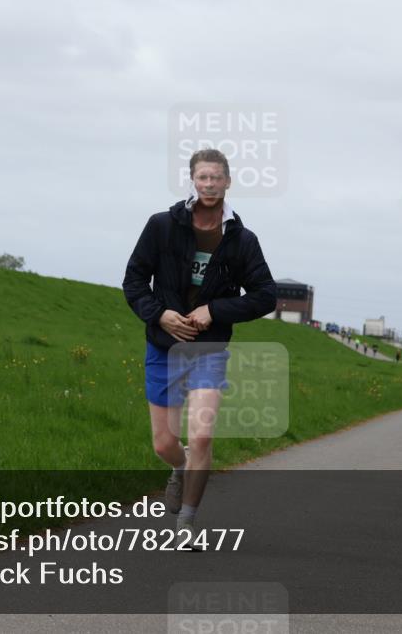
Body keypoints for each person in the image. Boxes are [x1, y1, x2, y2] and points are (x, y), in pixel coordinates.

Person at [123, 148, 276, 545]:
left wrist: (216, 309)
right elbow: (134, 281)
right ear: (193, 181)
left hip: (209, 349)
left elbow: (265, 296)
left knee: (203, 436)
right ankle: (180, 469)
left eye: (216, 178)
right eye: (202, 178)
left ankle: (187, 523)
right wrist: (159, 314)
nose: (209, 184)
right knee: (164, 444)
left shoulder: (242, 240)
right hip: (163, 346)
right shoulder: (161, 226)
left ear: (227, 181)